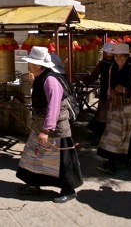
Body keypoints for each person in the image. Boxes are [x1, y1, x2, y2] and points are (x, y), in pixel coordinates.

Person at [16, 46, 83, 203]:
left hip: (56, 127)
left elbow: (54, 107)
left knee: (62, 159)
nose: (29, 64)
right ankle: (33, 184)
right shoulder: (41, 76)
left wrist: (46, 130)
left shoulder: (51, 80)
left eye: (31, 62)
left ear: (38, 64)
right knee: (33, 154)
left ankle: (68, 189)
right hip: (41, 124)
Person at [97, 42, 131, 175]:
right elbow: (109, 85)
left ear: (126, 56)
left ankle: (120, 161)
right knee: (112, 133)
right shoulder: (112, 68)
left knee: (126, 134)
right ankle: (112, 162)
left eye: (121, 56)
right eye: (116, 56)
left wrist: (127, 93)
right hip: (115, 106)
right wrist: (108, 98)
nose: (118, 58)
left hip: (130, 109)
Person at [82, 42, 115, 140]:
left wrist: (86, 79)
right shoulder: (105, 63)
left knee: (105, 113)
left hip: (111, 91)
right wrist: (87, 79)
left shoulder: (105, 63)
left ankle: (103, 134)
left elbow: (94, 75)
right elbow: (94, 75)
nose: (104, 53)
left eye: (105, 52)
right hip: (106, 90)